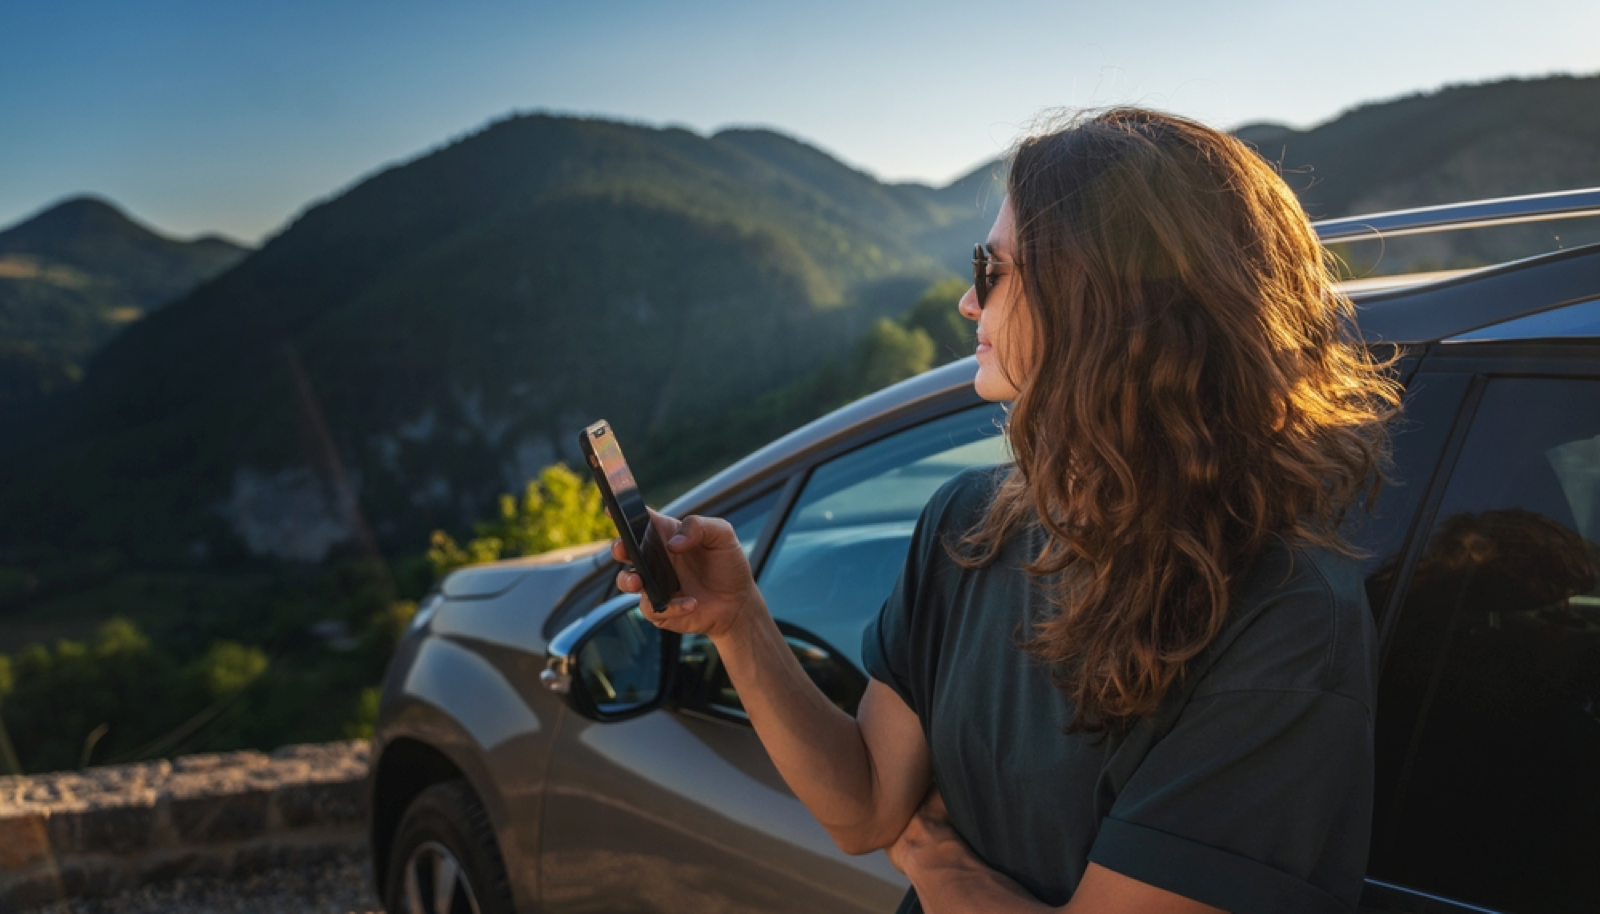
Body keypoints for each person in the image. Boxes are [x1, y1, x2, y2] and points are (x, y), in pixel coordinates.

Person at [612, 107, 1400, 914]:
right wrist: (739, 620)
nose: (965, 301)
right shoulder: (968, 525)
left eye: (990, 270)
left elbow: (900, 832)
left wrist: (937, 862)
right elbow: (867, 804)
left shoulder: (1287, 620)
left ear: (1098, 299)